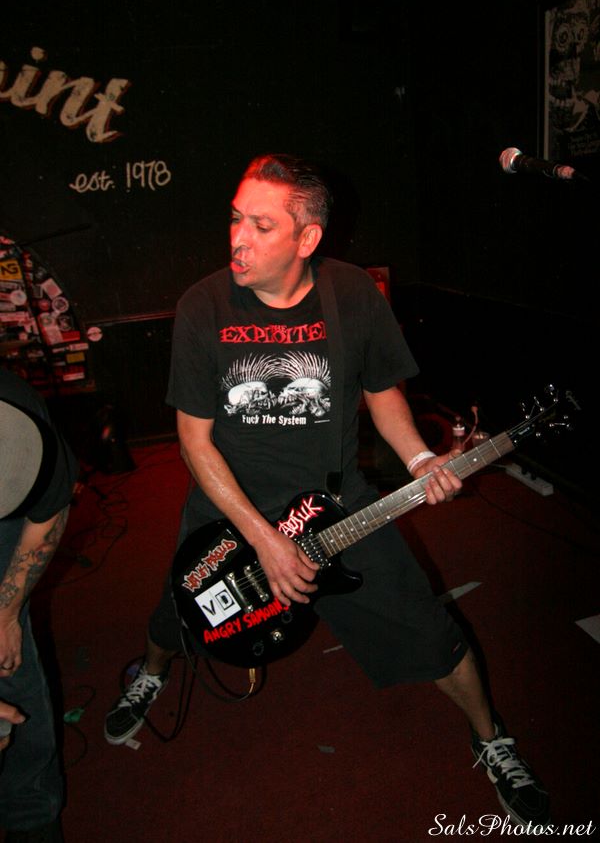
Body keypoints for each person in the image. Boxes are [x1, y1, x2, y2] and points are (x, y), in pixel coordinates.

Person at [104, 154, 549, 828]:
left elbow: (383, 392)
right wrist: (263, 540)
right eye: (235, 219)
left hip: (337, 503)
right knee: (179, 611)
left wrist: (420, 458)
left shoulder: (352, 295)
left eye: (261, 226)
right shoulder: (204, 305)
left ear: (307, 238)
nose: (238, 239)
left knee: (429, 630)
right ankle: (152, 671)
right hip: (233, 505)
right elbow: (194, 443)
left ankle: (492, 738)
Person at [0, 367, 79, 843]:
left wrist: (7, 613)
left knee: (11, 670)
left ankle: (31, 814)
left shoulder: (15, 406)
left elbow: (49, 508)